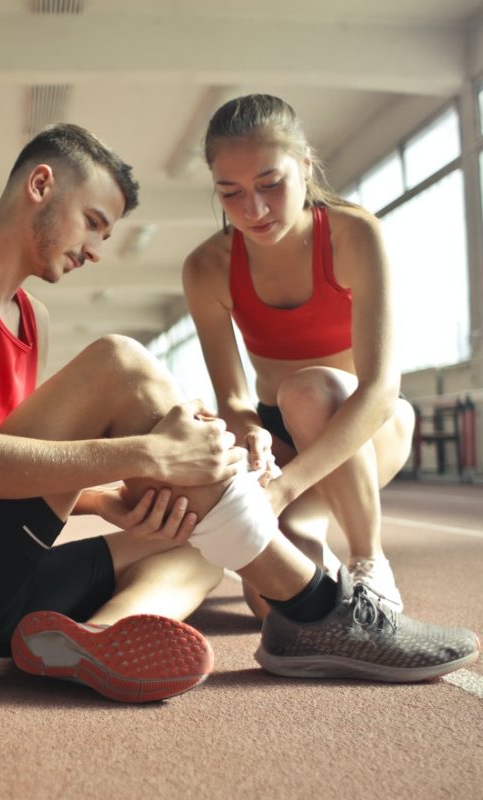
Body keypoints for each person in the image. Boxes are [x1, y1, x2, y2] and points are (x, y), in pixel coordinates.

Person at [0, 123, 478, 706]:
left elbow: (6, 478)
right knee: (119, 363)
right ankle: (317, 607)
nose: (97, 250)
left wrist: (110, 500)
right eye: (94, 223)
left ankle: (100, 637)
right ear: (41, 185)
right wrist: (148, 457)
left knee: (196, 533)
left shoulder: (32, 319)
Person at [184, 93, 415, 618]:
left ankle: (368, 560)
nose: (254, 210)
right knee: (273, 605)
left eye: (270, 185)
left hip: (367, 425)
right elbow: (235, 396)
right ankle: (313, 539)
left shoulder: (356, 235)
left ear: (306, 166)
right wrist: (251, 434)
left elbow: (380, 389)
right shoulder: (207, 268)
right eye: (230, 193)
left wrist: (285, 488)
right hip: (281, 437)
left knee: (310, 390)